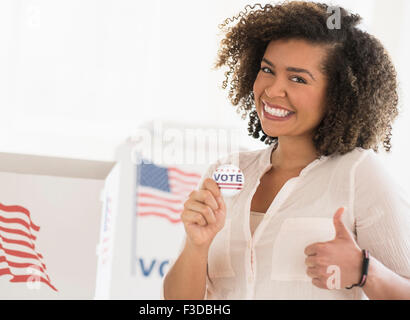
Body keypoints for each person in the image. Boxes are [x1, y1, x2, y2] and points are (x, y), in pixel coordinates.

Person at [162, 1, 410, 299]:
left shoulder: (359, 173)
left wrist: (364, 270)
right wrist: (197, 245)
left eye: (298, 78)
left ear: (338, 94)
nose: (273, 90)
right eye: (267, 70)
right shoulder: (227, 172)